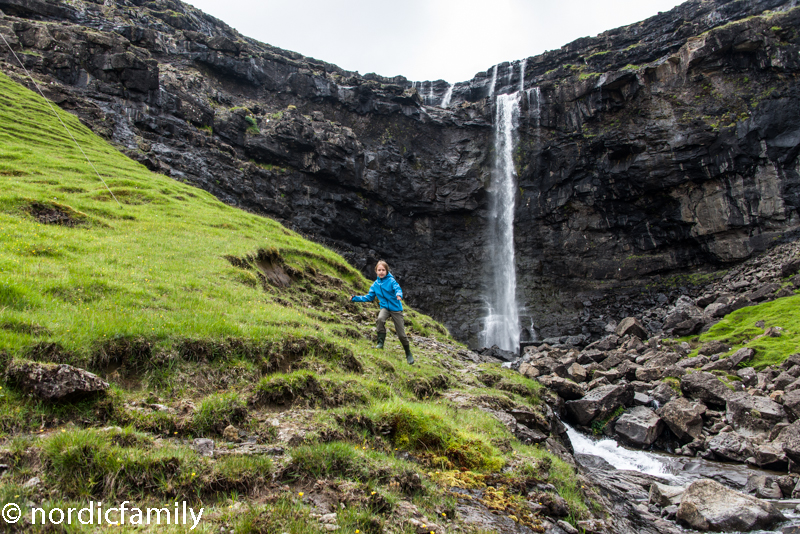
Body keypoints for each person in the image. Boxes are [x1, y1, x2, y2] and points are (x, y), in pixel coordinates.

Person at [351, 261, 414, 364]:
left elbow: (397, 288)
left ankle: (408, 353)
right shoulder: (375, 285)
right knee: (380, 319)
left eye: (383, 270)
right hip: (384, 308)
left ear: (386, 271)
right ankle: (380, 343)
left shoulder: (391, 281)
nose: (381, 272)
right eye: (379, 270)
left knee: (401, 334)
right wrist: (355, 298)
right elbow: (369, 297)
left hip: (396, 309)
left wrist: (399, 295)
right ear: (376, 271)